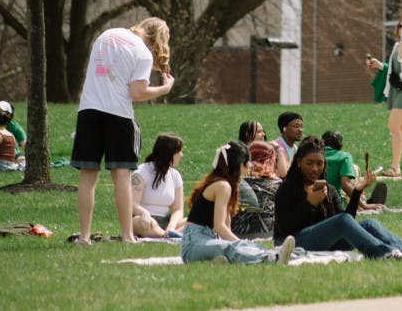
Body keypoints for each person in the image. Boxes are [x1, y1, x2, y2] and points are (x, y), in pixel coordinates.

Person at [71, 17, 175, 244]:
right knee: (122, 178)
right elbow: (137, 93)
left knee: (88, 177)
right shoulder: (143, 53)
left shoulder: (107, 35)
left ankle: (84, 236)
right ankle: (128, 235)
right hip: (118, 116)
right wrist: (164, 88)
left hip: (88, 111)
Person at [273, 136, 402, 260]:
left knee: (369, 223)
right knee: (342, 221)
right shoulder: (288, 188)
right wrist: (308, 203)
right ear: (299, 162)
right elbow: (285, 227)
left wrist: (357, 191)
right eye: (309, 163)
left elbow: (347, 221)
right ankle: (385, 254)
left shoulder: (328, 190)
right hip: (290, 243)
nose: (315, 168)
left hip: (322, 243)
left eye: (320, 163)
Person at [180, 141, 295, 265]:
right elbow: (219, 227)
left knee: (246, 247)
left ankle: (218, 260)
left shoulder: (226, 186)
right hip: (195, 243)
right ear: (241, 164)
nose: (250, 167)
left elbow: (226, 228)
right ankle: (273, 259)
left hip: (209, 240)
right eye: (248, 163)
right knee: (232, 247)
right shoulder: (222, 186)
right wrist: (240, 243)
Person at [364, 15, 402, 177]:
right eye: (400, 26)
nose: (401, 29)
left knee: (393, 126)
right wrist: (381, 66)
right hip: (397, 90)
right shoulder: (398, 44)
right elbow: (394, 68)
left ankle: (395, 167)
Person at [131, 133, 186, 238]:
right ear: (169, 153)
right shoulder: (141, 172)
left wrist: (172, 226)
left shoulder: (175, 175)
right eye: (179, 151)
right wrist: (144, 213)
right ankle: (168, 236)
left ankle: (170, 234)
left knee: (195, 220)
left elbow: (178, 209)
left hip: (167, 222)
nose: (181, 155)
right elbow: (132, 204)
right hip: (146, 221)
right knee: (137, 222)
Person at [321, 130, 386, 211]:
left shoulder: (313, 155)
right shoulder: (344, 157)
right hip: (336, 204)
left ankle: (363, 201)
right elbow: (345, 185)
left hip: (314, 202)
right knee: (355, 173)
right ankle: (364, 203)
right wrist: (364, 205)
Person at [234, 120, 278, 238]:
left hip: (237, 229)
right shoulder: (238, 161)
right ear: (248, 135)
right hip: (264, 230)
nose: (263, 134)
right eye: (259, 131)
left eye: (263, 131)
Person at [270, 112, 302, 178]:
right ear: (284, 128)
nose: (300, 130)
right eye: (296, 126)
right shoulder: (274, 146)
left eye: (301, 126)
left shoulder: (296, 148)